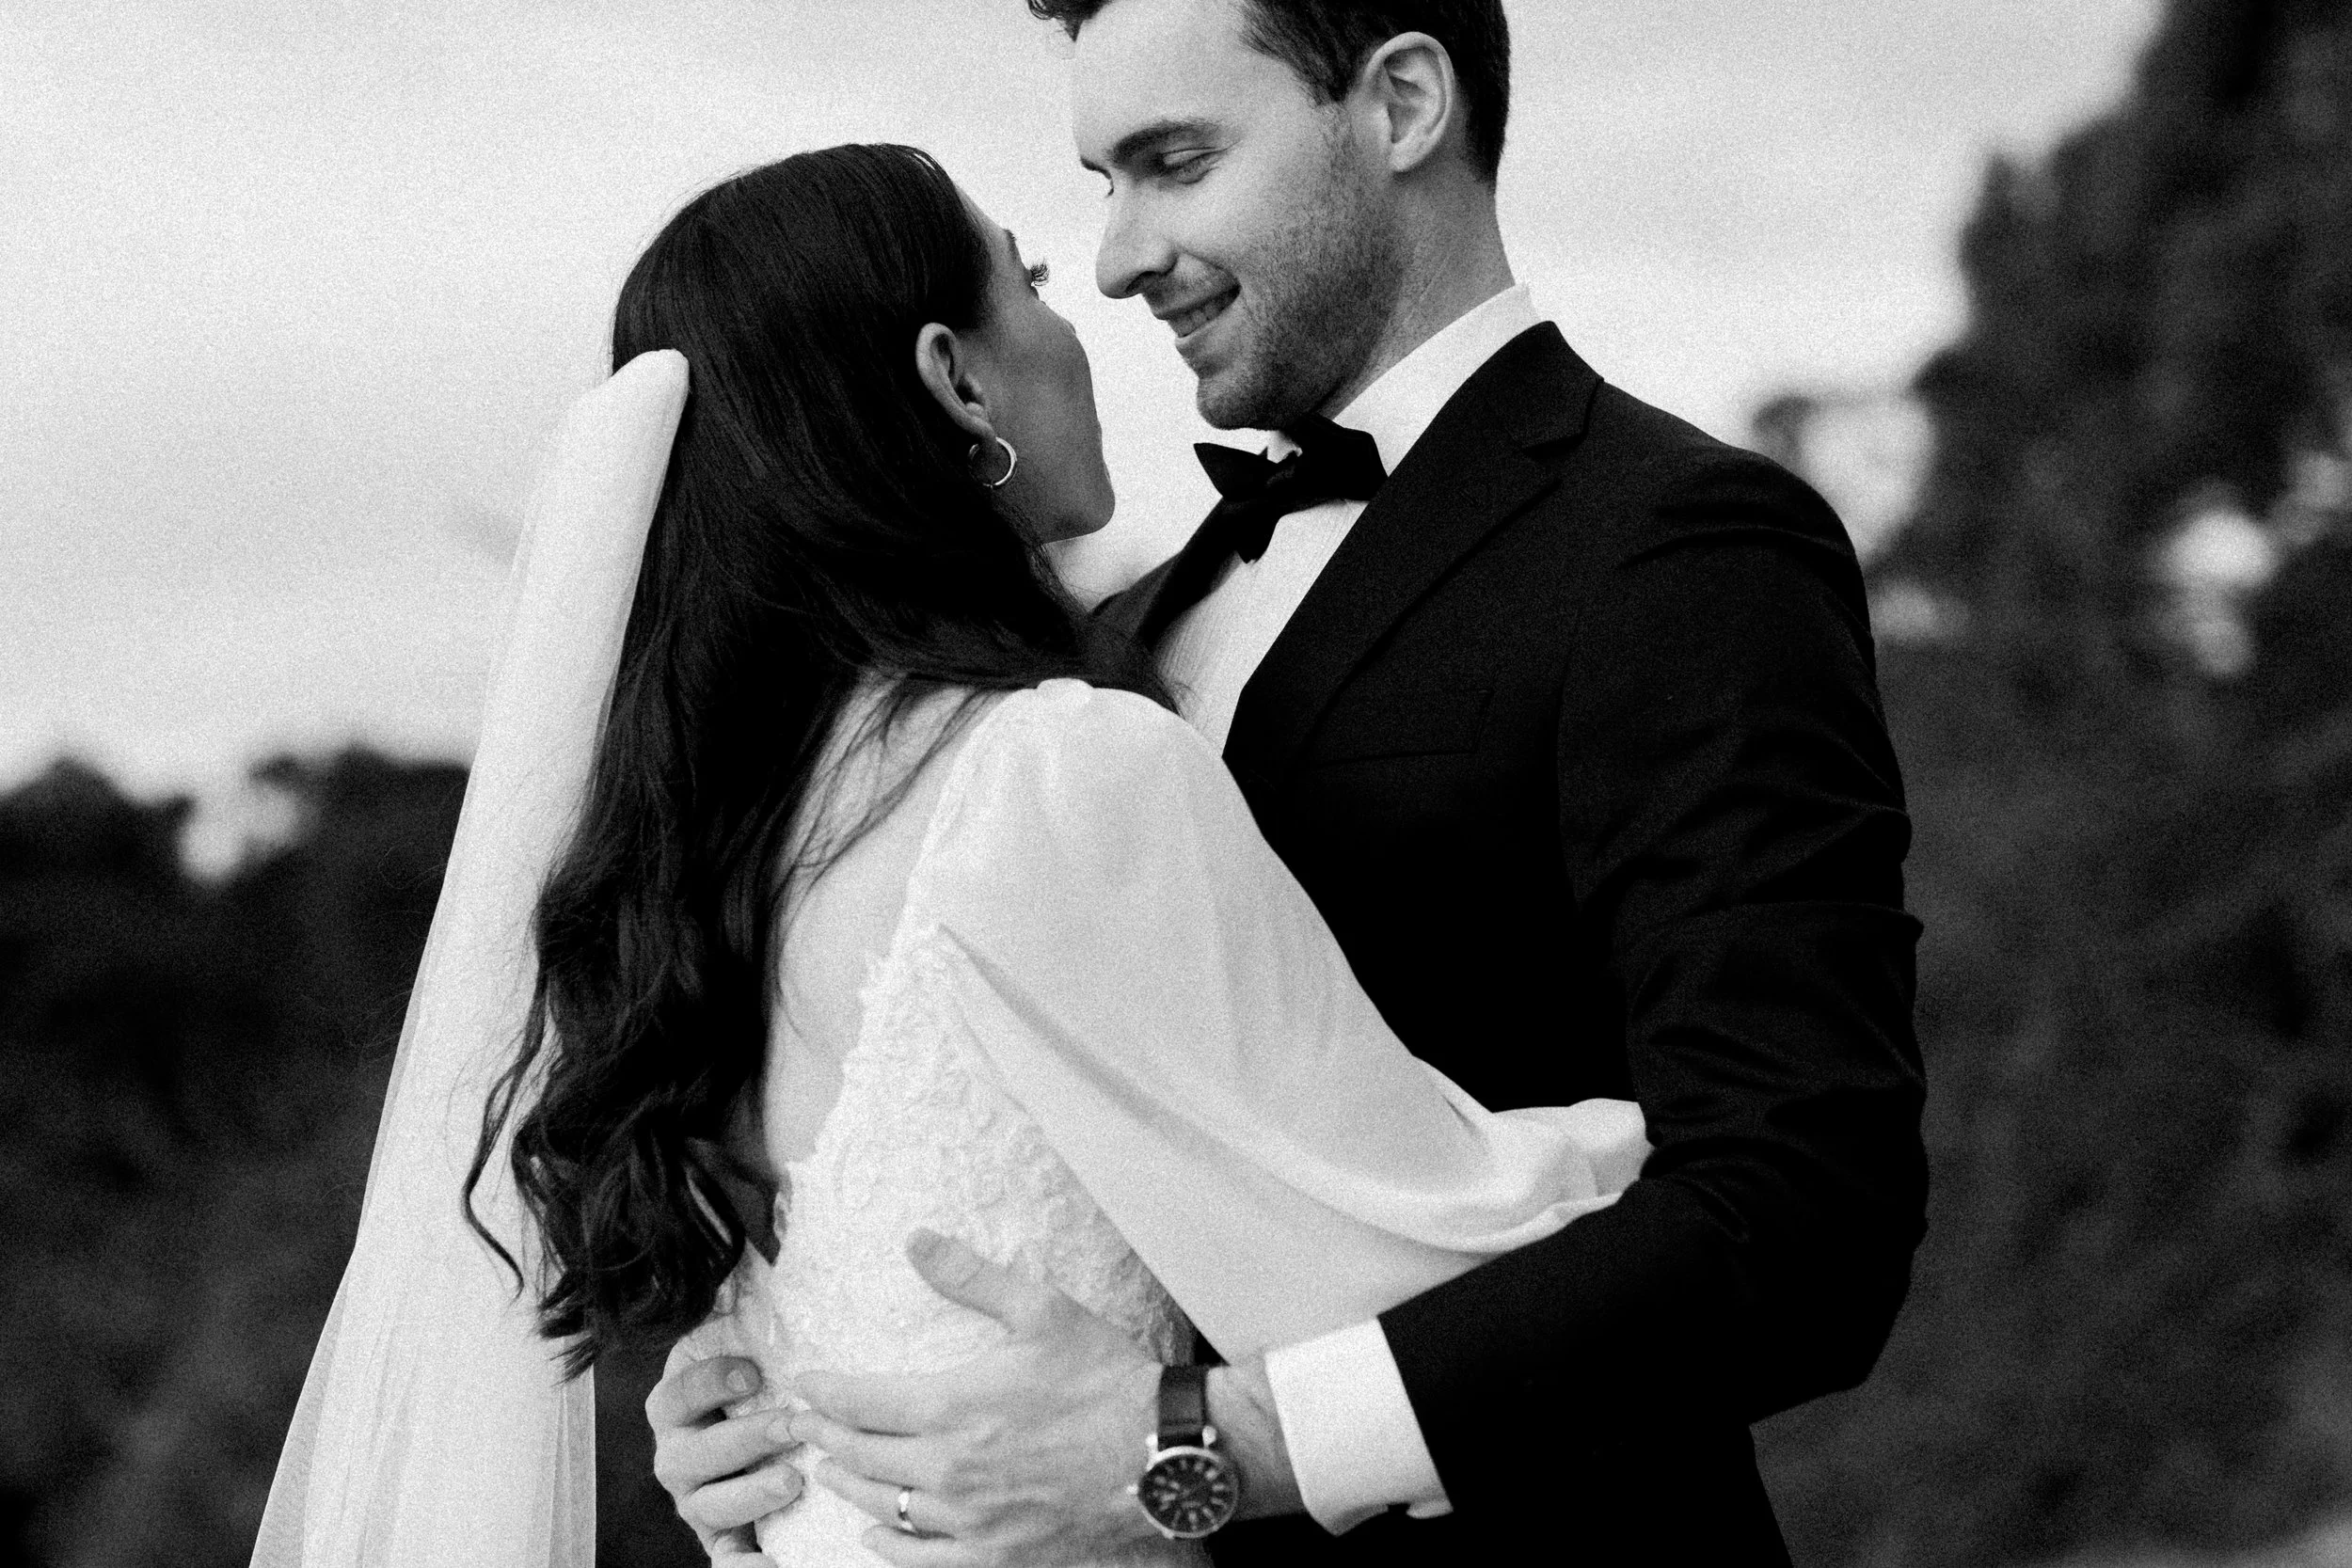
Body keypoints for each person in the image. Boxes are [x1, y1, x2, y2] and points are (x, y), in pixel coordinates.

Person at [250, 140, 1658, 1568]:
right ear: (954, 378)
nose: (1083, 303)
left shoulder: (704, 851)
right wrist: (1702, 1166)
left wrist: (737, 1461)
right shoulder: (1044, 773)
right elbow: (1418, 1247)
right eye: (1030, 281)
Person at [651, 2, 1928, 1564]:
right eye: (1099, 186)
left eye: (1172, 164)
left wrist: (1215, 1446)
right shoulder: (1107, 650)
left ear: (1398, 105)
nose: (1118, 257)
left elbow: (1806, 1218)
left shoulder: (1679, 553)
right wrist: (781, 1420)